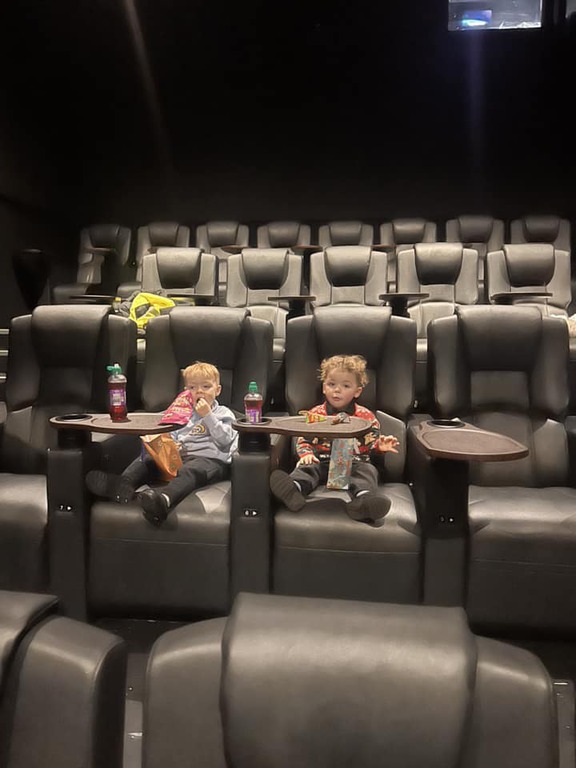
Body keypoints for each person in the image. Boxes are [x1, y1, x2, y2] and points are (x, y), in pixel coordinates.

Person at [86, 362, 238, 526]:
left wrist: (208, 416)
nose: (199, 391)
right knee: (148, 458)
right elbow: (171, 433)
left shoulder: (223, 413)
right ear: (186, 391)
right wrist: (170, 444)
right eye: (192, 388)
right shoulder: (182, 412)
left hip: (209, 460)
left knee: (191, 470)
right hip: (179, 458)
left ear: (218, 390)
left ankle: (163, 499)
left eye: (206, 386)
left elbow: (225, 439)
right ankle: (123, 484)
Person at [270, 354, 399, 524]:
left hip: (354, 462)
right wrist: (306, 454)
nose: (337, 390)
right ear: (324, 387)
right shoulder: (315, 414)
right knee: (307, 467)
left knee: (367, 471)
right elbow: (303, 438)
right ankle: (294, 490)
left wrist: (379, 447)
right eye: (331, 384)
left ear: (357, 391)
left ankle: (364, 501)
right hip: (321, 460)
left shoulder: (366, 416)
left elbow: (370, 443)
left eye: (345, 386)